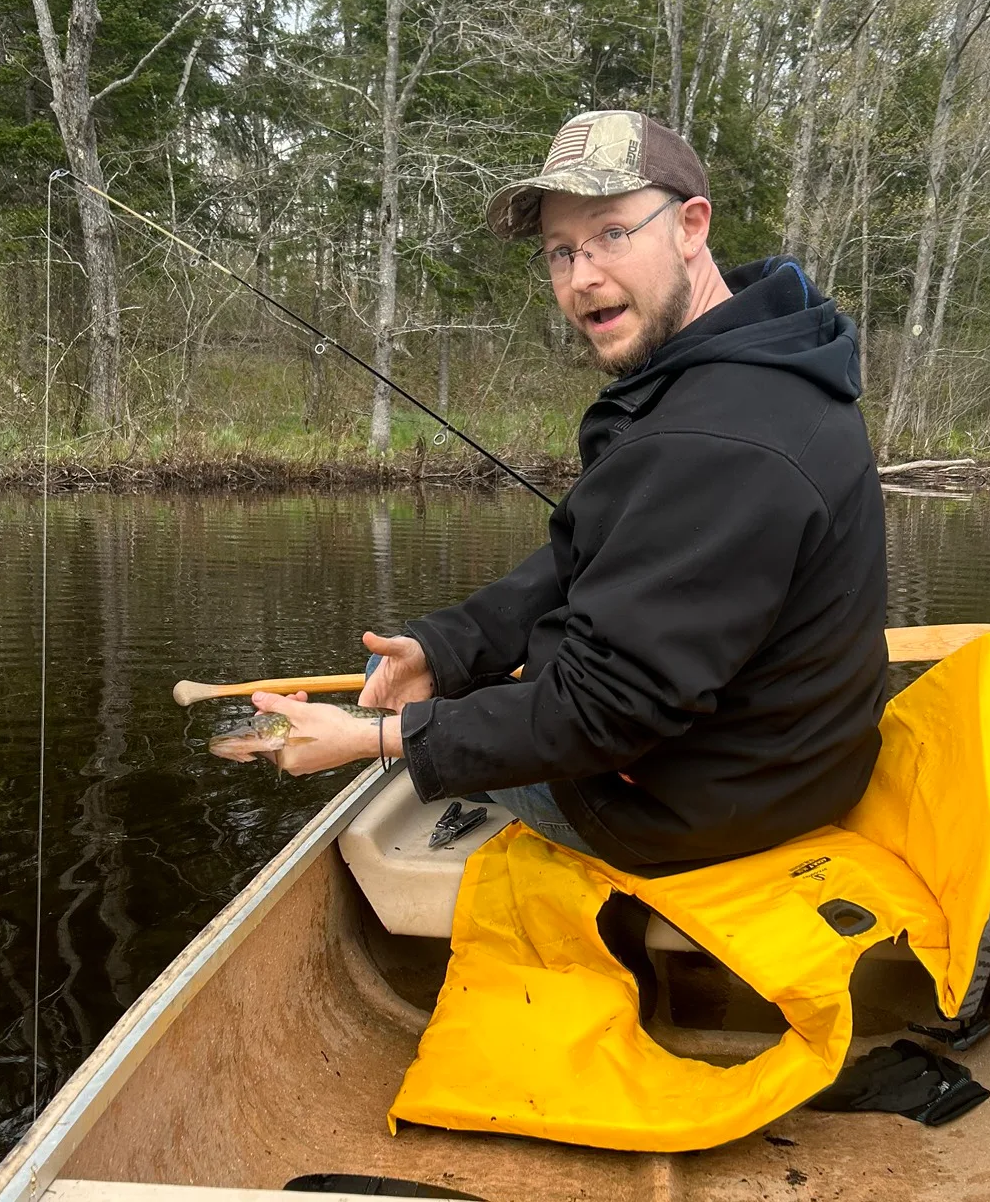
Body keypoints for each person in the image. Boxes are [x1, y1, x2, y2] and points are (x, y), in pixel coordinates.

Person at [254, 110, 888, 870]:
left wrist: (372, 740)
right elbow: (581, 552)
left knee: (381, 704)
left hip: (690, 809)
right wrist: (446, 648)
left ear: (690, 225)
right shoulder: (754, 358)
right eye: (560, 252)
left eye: (612, 233)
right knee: (414, 678)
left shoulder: (716, 442)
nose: (582, 278)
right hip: (785, 764)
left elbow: (603, 711)